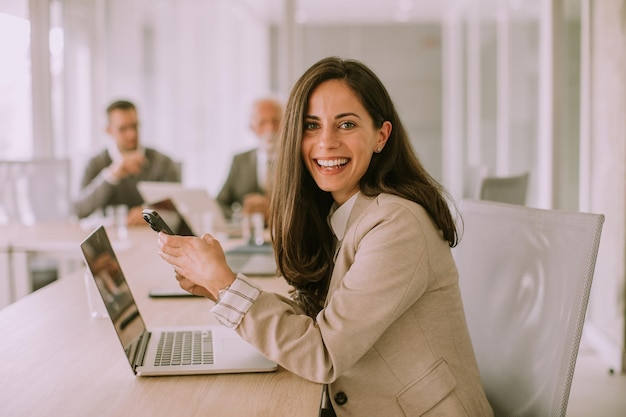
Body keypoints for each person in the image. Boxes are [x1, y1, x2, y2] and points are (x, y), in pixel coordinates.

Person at [156, 57, 493, 417]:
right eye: (311, 126)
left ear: (381, 135)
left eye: (346, 124)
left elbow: (323, 354)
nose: (326, 142)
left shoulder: (398, 225)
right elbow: (321, 315)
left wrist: (226, 283)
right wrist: (218, 288)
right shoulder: (343, 211)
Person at [74, 100, 180, 225]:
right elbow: (79, 211)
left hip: (152, 239)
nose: (131, 134)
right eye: (123, 129)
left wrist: (151, 212)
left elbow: (178, 208)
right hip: (111, 238)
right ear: (109, 130)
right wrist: (111, 175)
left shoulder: (163, 163)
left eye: (134, 126)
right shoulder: (95, 163)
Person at [216, 97, 282, 220]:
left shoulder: (298, 159)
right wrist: (242, 215)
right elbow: (219, 203)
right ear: (252, 127)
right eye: (262, 122)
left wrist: (276, 211)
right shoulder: (240, 161)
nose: (270, 128)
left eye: (275, 121)